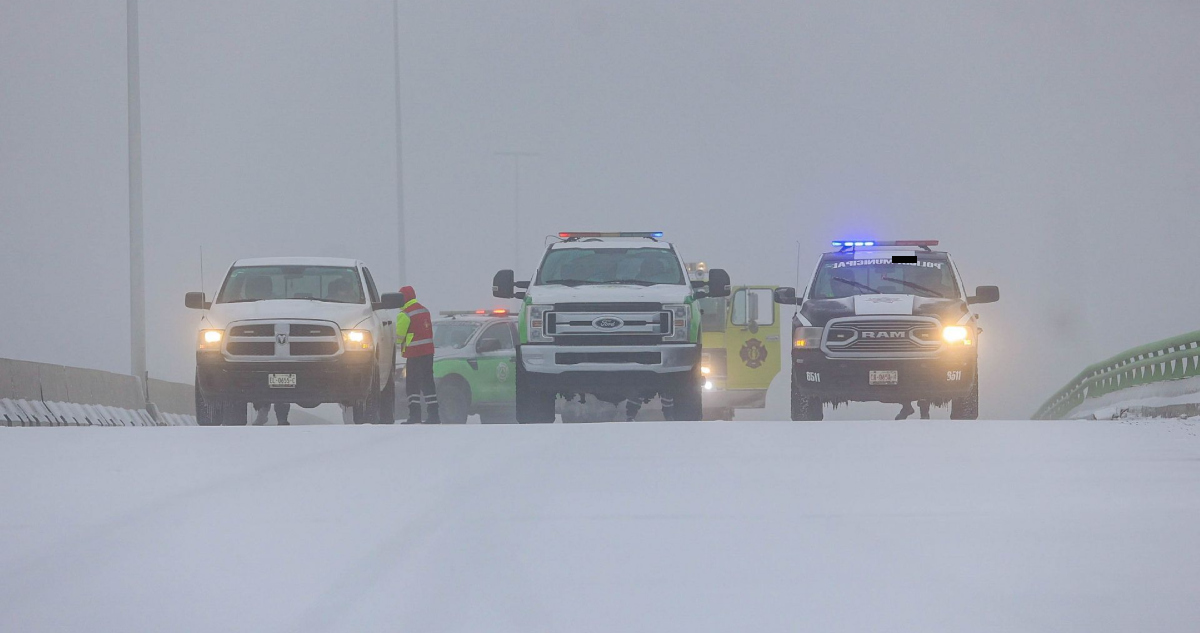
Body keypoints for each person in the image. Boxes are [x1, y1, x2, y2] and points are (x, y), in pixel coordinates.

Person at [395, 285, 439, 424]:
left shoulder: (405, 314)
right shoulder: (424, 310)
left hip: (414, 354)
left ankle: (415, 415)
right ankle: (434, 415)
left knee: (412, 385)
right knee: (428, 383)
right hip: (428, 353)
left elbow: (398, 337)